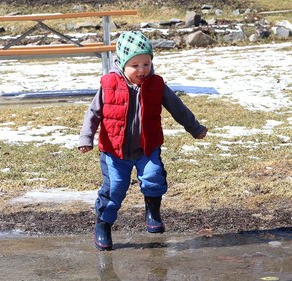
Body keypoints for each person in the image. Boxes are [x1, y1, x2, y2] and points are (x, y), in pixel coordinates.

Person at [78, 31, 208, 251]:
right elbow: (93, 112)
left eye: (146, 64)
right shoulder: (109, 84)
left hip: (147, 148)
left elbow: (178, 108)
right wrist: (86, 138)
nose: (141, 70)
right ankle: (103, 224)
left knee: (154, 177)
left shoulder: (156, 84)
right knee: (114, 189)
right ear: (121, 64)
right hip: (114, 151)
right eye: (135, 65)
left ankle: (152, 211)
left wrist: (194, 128)